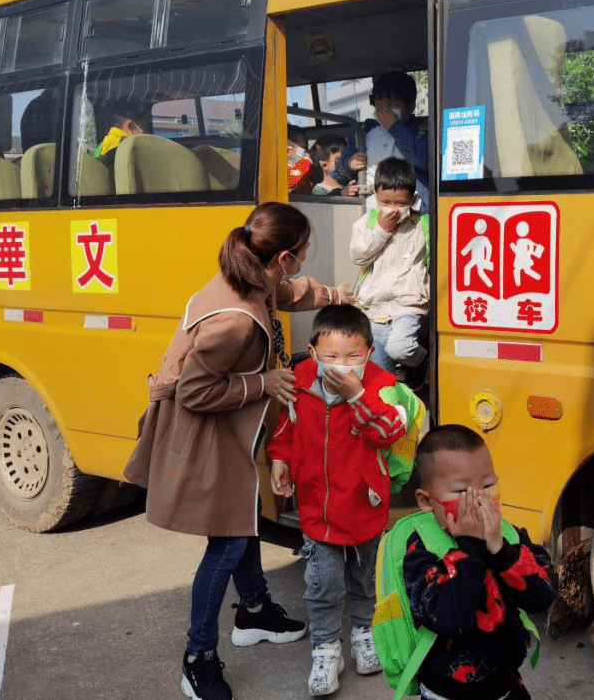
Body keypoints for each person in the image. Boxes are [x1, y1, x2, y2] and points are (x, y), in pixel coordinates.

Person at [124, 202, 353, 700]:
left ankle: (253, 612)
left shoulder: (253, 276)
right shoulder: (236, 323)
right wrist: (263, 381)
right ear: (286, 256)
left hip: (229, 429)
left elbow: (291, 292)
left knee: (243, 517)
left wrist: (336, 295)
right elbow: (193, 392)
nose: (305, 262)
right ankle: (197, 658)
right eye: (305, 252)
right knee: (226, 542)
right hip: (202, 431)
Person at [268, 304, 408, 696]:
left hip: (364, 507)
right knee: (322, 585)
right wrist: (281, 460)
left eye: (354, 356)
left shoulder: (382, 385)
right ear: (313, 352)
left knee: (365, 581)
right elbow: (286, 427)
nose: (342, 366)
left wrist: (358, 396)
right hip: (317, 509)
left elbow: (389, 431)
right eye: (330, 357)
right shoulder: (300, 381)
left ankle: (365, 633)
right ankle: (327, 649)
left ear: (369, 351)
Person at [405, 425, 558, 700]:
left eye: (488, 485)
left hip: (507, 685)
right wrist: (472, 549)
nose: (478, 501)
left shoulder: (509, 536)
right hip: (446, 692)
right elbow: (450, 618)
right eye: (462, 490)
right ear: (426, 501)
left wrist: (500, 549)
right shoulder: (421, 550)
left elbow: (543, 596)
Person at [348, 157, 429, 385]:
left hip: (409, 302)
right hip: (374, 305)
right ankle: (394, 410)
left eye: (400, 204)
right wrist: (382, 231)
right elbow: (359, 256)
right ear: (375, 196)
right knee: (381, 374)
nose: (392, 209)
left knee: (400, 348)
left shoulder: (423, 225)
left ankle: (422, 359)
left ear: (412, 200)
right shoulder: (367, 223)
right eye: (386, 202)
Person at [338, 72, 429, 209]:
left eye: (391, 104)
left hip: (412, 204)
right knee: (375, 229)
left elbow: (421, 160)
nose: (384, 110)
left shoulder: (421, 129)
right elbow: (343, 166)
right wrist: (349, 163)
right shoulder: (363, 131)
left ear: (410, 106)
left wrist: (394, 127)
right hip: (372, 203)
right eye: (379, 105)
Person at [288, 124, 313, 193]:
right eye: (304, 148)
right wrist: (307, 161)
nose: (308, 151)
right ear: (288, 149)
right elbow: (291, 181)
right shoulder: (278, 170)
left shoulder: (303, 169)